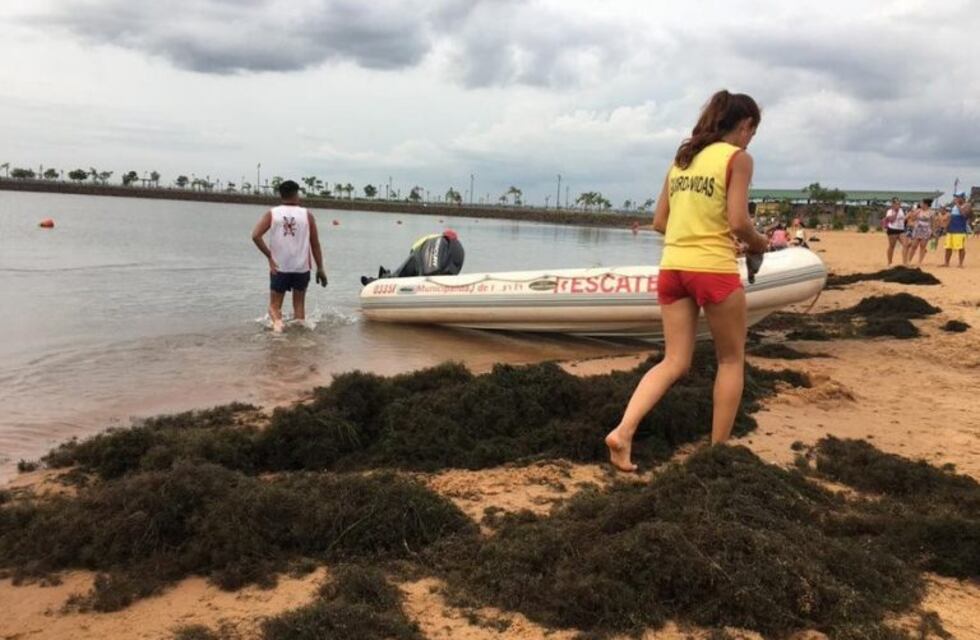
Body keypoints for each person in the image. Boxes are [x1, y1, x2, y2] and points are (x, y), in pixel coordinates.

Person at [605, 90, 769, 472]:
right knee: (731, 360)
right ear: (745, 125)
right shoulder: (738, 159)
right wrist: (759, 243)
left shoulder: (681, 161)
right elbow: (739, 221)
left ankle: (623, 432)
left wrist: (696, 236)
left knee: (674, 360)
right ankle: (716, 453)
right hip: (713, 269)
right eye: (752, 132)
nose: (750, 140)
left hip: (673, 268)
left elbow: (659, 222)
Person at [251, 180, 327, 332]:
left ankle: (278, 326)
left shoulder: (273, 213)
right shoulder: (307, 215)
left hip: (279, 267)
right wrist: (320, 268)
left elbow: (255, 236)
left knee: (274, 307)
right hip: (301, 268)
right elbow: (315, 244)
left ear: (281, 194)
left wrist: (269, 256)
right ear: (297, 194)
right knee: (299, 306)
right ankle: (299, 339)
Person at [360, 230, 465, 285]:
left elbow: (415, 248)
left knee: (398, 276)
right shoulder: (441, 242)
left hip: (419, 257)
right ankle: (376, 281)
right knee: (398, 276)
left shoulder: (437, 240)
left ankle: (379, 280)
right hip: (420, 258)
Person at [943, 191, 973, 268]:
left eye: (957, 197)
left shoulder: (967, 205)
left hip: (960, 230)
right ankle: (946, 263)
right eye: (955, 197)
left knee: (960, 247)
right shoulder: (954, 207)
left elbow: (964, 214)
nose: (956, 198)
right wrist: (946, 226)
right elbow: (951, 217)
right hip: (951, 229)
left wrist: (957, 205)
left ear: (962, 197)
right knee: (948, 247)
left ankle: (960, 263)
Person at [907, 198, 934, 266]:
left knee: (923, 246)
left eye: (922, 203)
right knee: (914, 245)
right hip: (918, 229)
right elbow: (912, 218)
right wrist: (914, 214)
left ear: (926, 204)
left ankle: (920, 262)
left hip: (926, 230)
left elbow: (933, 222)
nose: (920, 204)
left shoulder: (931, 212)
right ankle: (909, 260)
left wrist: (932, 231)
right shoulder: (918, 211)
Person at [883, 198, 907, 265]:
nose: (898, 205)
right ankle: (889, 262)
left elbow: (904, 219)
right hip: (892, 229)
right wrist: (896, 212)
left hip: (901, 230)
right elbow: (891, 220)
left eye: (899, 204)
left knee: (906, 244)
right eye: (896, 204)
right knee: (892, 246)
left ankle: (905, 262)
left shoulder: (901, 210)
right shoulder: (889, 211)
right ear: (893, 204)